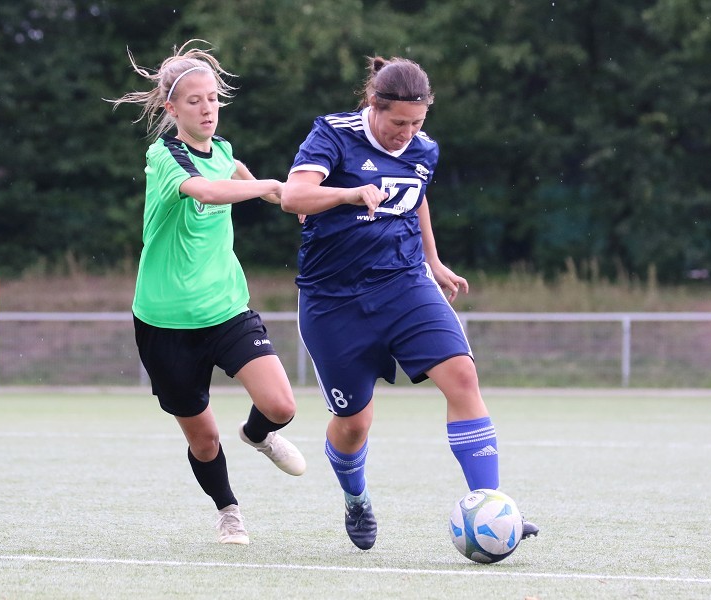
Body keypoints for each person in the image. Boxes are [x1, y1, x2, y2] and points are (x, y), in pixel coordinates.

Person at [281, 56, 539, 550]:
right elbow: (294, 198)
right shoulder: (332, 136)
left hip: (403, 284)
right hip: (333, 300)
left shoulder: (424, 149)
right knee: (354, 423)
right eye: (398, 122)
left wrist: (433, 261)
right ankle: (356, 497)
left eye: (417, 122)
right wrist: (349, 194)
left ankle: (492, 507)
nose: (407, 133)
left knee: (462, 376)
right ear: (372, 106)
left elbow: (417, 196)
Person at [107, 40, 306, 545]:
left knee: (282, 404)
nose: (207, 108)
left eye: (213, 98)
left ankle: (258, 434)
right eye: (194, 101)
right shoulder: (165, 155)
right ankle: (228, 510)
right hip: (164, 320)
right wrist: (265, 186)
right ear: (172, 108)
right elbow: (209, 190)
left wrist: (289, 195)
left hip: (225, 309)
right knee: (203, 437)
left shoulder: (223, 151)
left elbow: (235, 174)